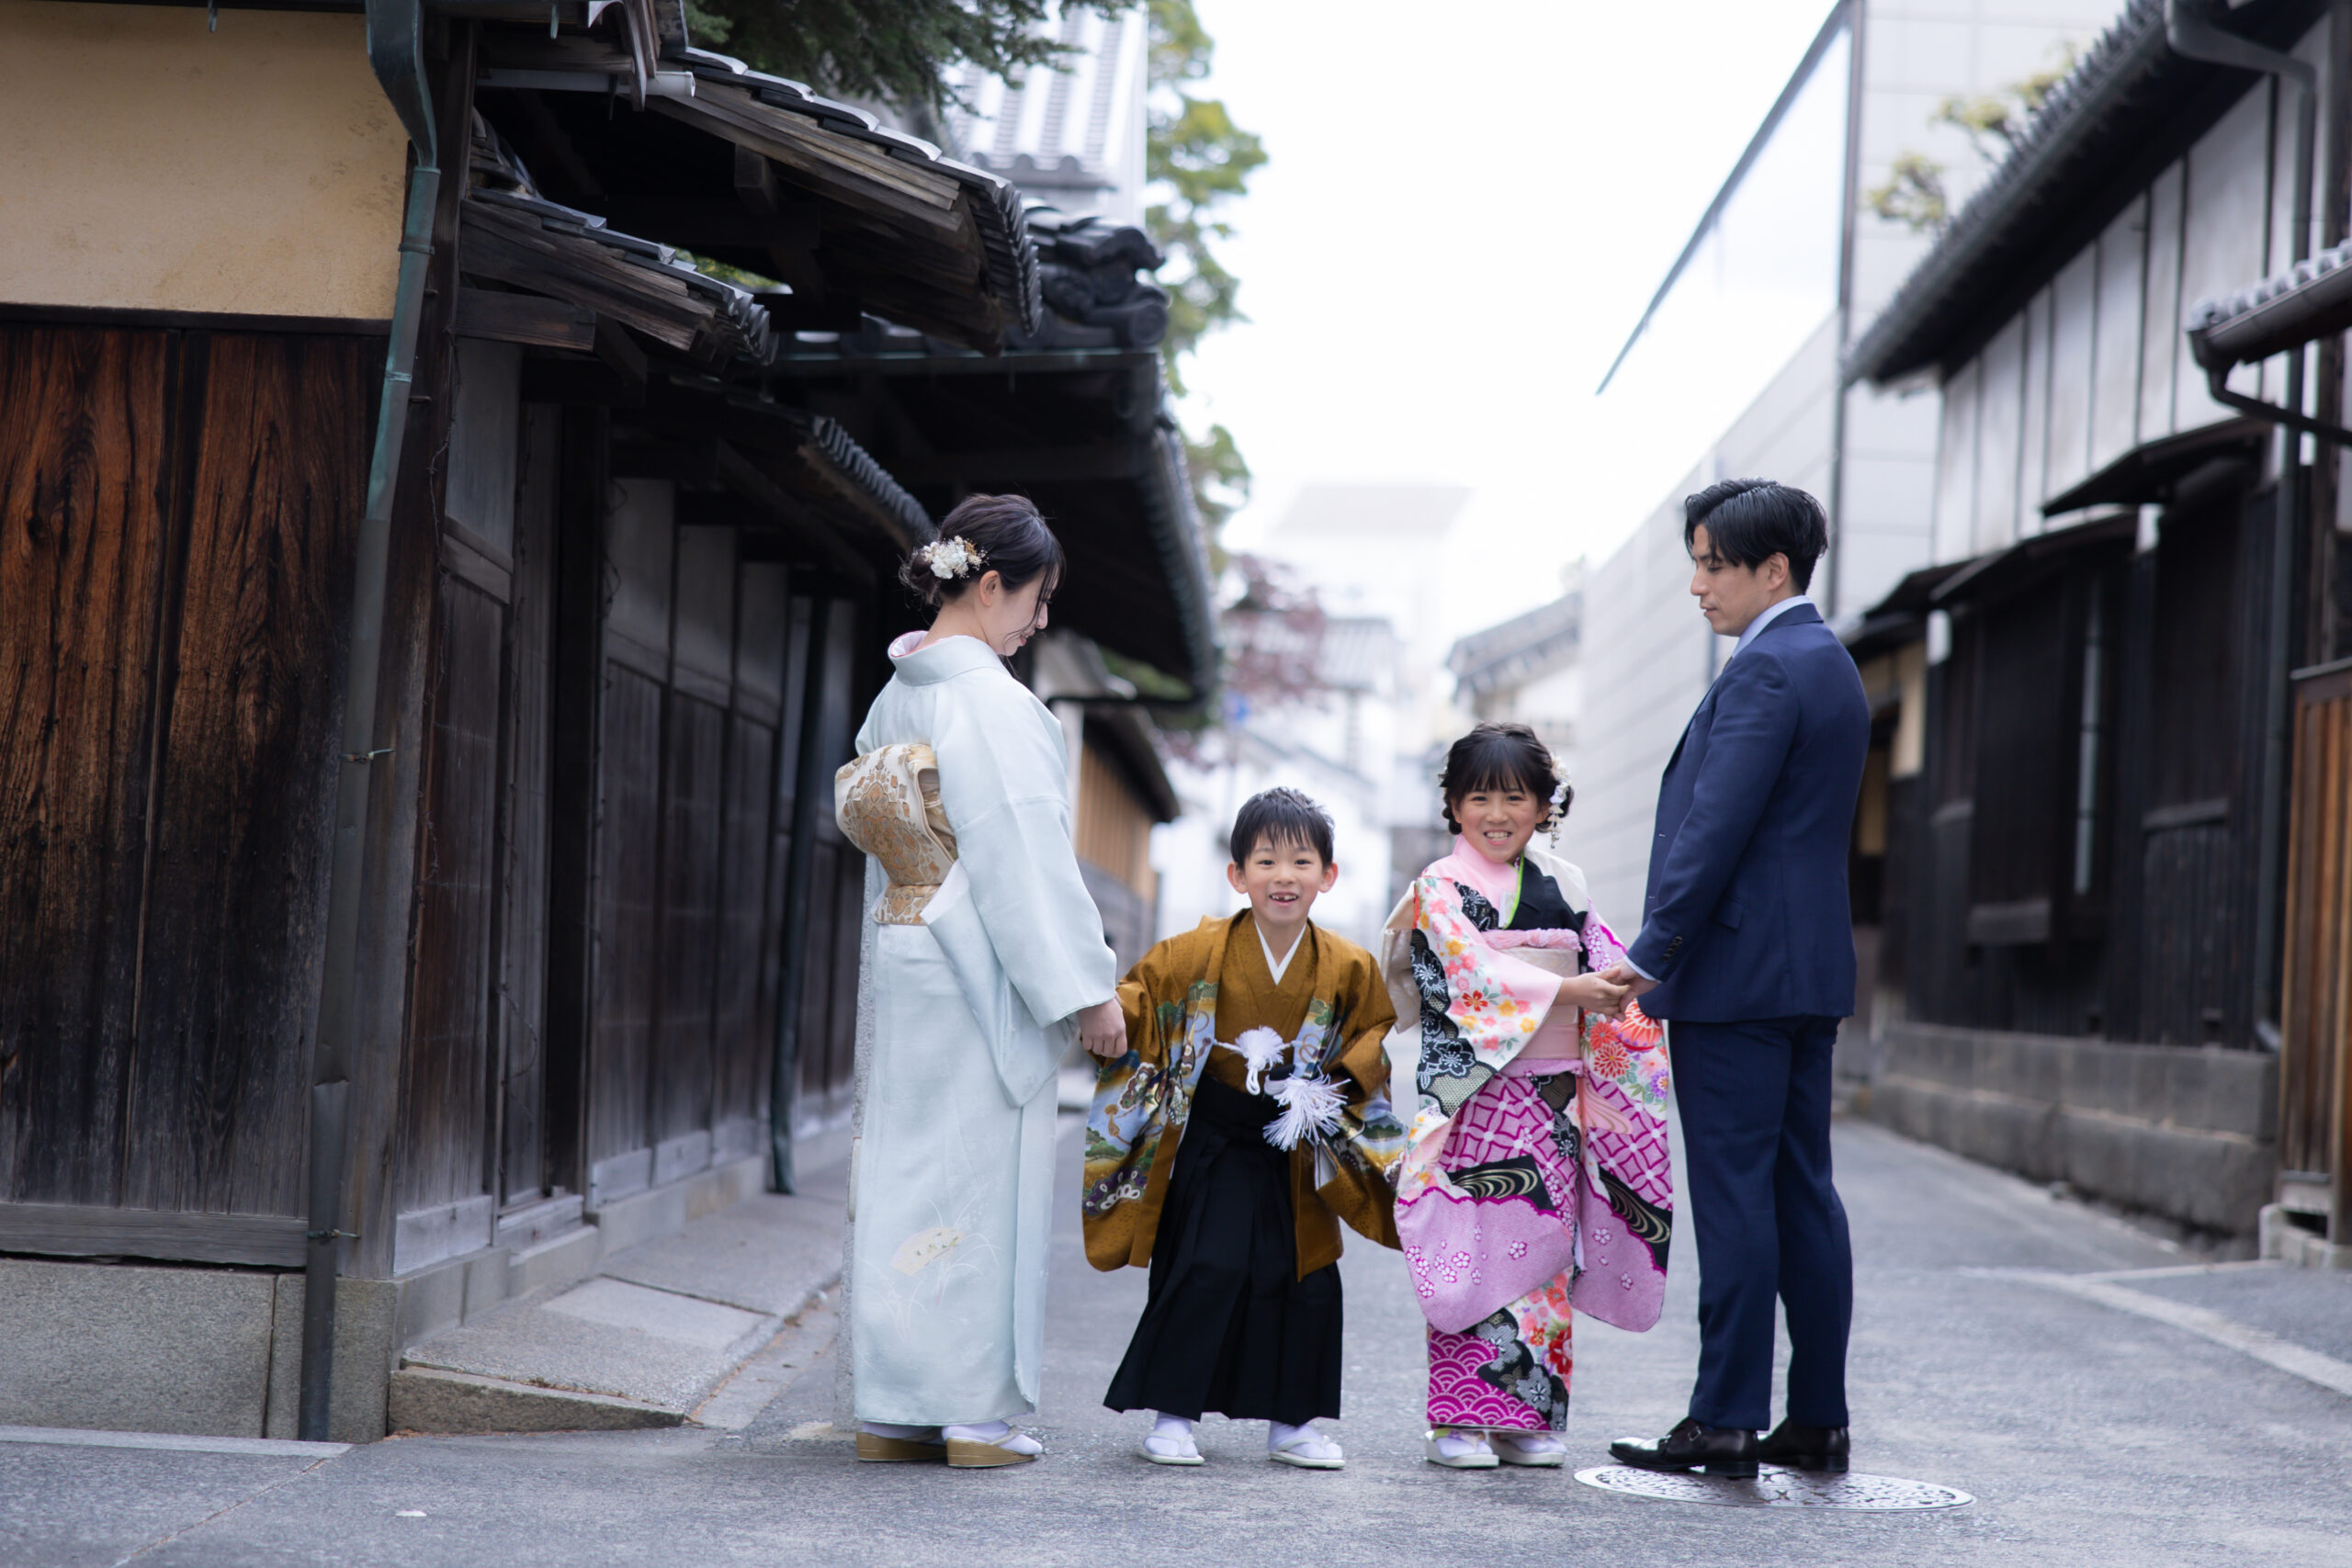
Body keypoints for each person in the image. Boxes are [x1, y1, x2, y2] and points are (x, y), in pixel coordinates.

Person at [834, 495, 1127, 1470]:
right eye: (1036, 600)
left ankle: (893, 1405)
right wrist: (1087, 988)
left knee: (904, 1172)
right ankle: (968, 1411)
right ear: (992, 583)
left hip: (906, 947)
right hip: (977, 964)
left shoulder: (900, 694)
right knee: (974, 1175)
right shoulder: (992, 704)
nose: (1038, 623)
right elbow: (1022, 858)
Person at [1600, 479, 1871, 1481]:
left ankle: (1722, 1418)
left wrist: (1650, 953)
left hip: (1735, 975)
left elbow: (1716, 830)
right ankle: (1818, 1418)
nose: (1695, 585)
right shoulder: (1829, 664)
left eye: (1713, 564)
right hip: (1806, 972)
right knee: (1804, 1191)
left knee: (1735, 1195)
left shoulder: (1764, 674)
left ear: (1773, 571)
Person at [1085, 788, 1407, 1470]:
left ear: (1329, 874)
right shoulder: (1195, 950)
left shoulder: (1348, 964)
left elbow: (1373, 1032)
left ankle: (1292, 1422)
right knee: (1207, 1262)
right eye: (1265, 860)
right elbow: (1143, 1001)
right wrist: (1102, 1006)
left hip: (1300, 1133)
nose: (1283, 875)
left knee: (1304, 1275)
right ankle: (1173, 1415)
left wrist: (1329, 1085)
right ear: (1237, 874)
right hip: (1215, 1134)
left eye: (1301, 860)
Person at [1382, 722, 1674, 1470]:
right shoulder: (1440, 887)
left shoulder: (1564, 883)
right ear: (1452, 805)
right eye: (1478, 796)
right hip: (1478, 1096)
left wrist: (1616, 989)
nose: (1497, 812)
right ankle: (1458, 1418)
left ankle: (1527, 1415)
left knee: (1545, 1244)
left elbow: (1609, 965)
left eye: (1516, 796)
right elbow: (1462, 974)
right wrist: (1569, 989)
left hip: (1553, 1099)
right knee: (1468, 1243)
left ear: (1545, 805)